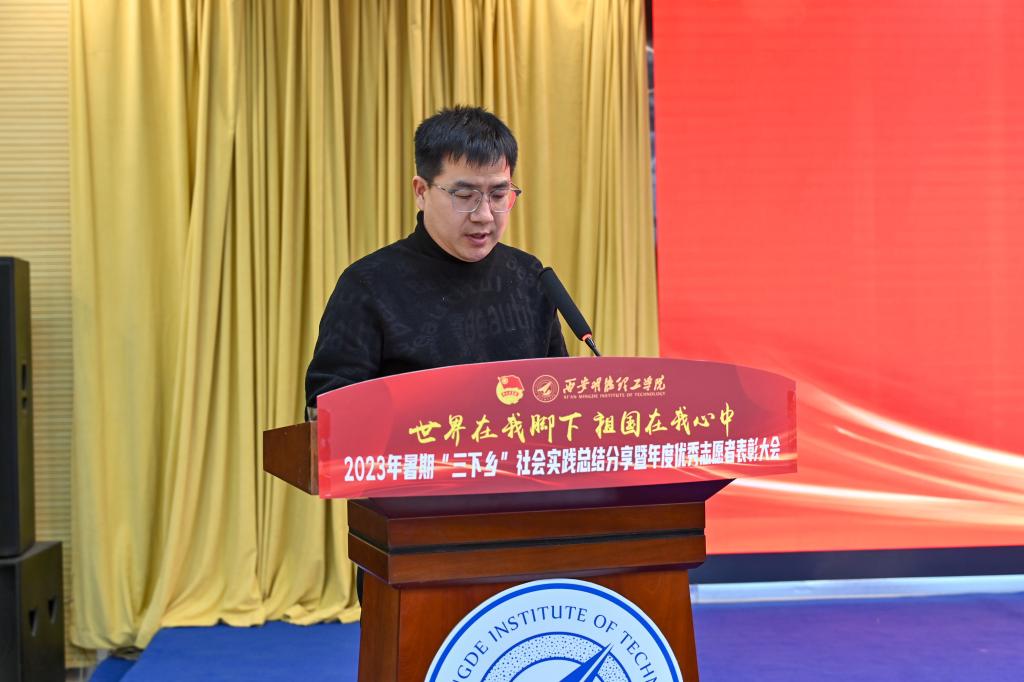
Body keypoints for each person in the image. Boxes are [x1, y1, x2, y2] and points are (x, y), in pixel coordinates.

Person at [304, 105, 568, 602]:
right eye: (465, 195)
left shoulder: (529, 278)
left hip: (527, 536)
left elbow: (558, 400)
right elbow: (328, 411)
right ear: (421, 191)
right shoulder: (369, 285)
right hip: (414, 541)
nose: (484, 215)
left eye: (499, 194)